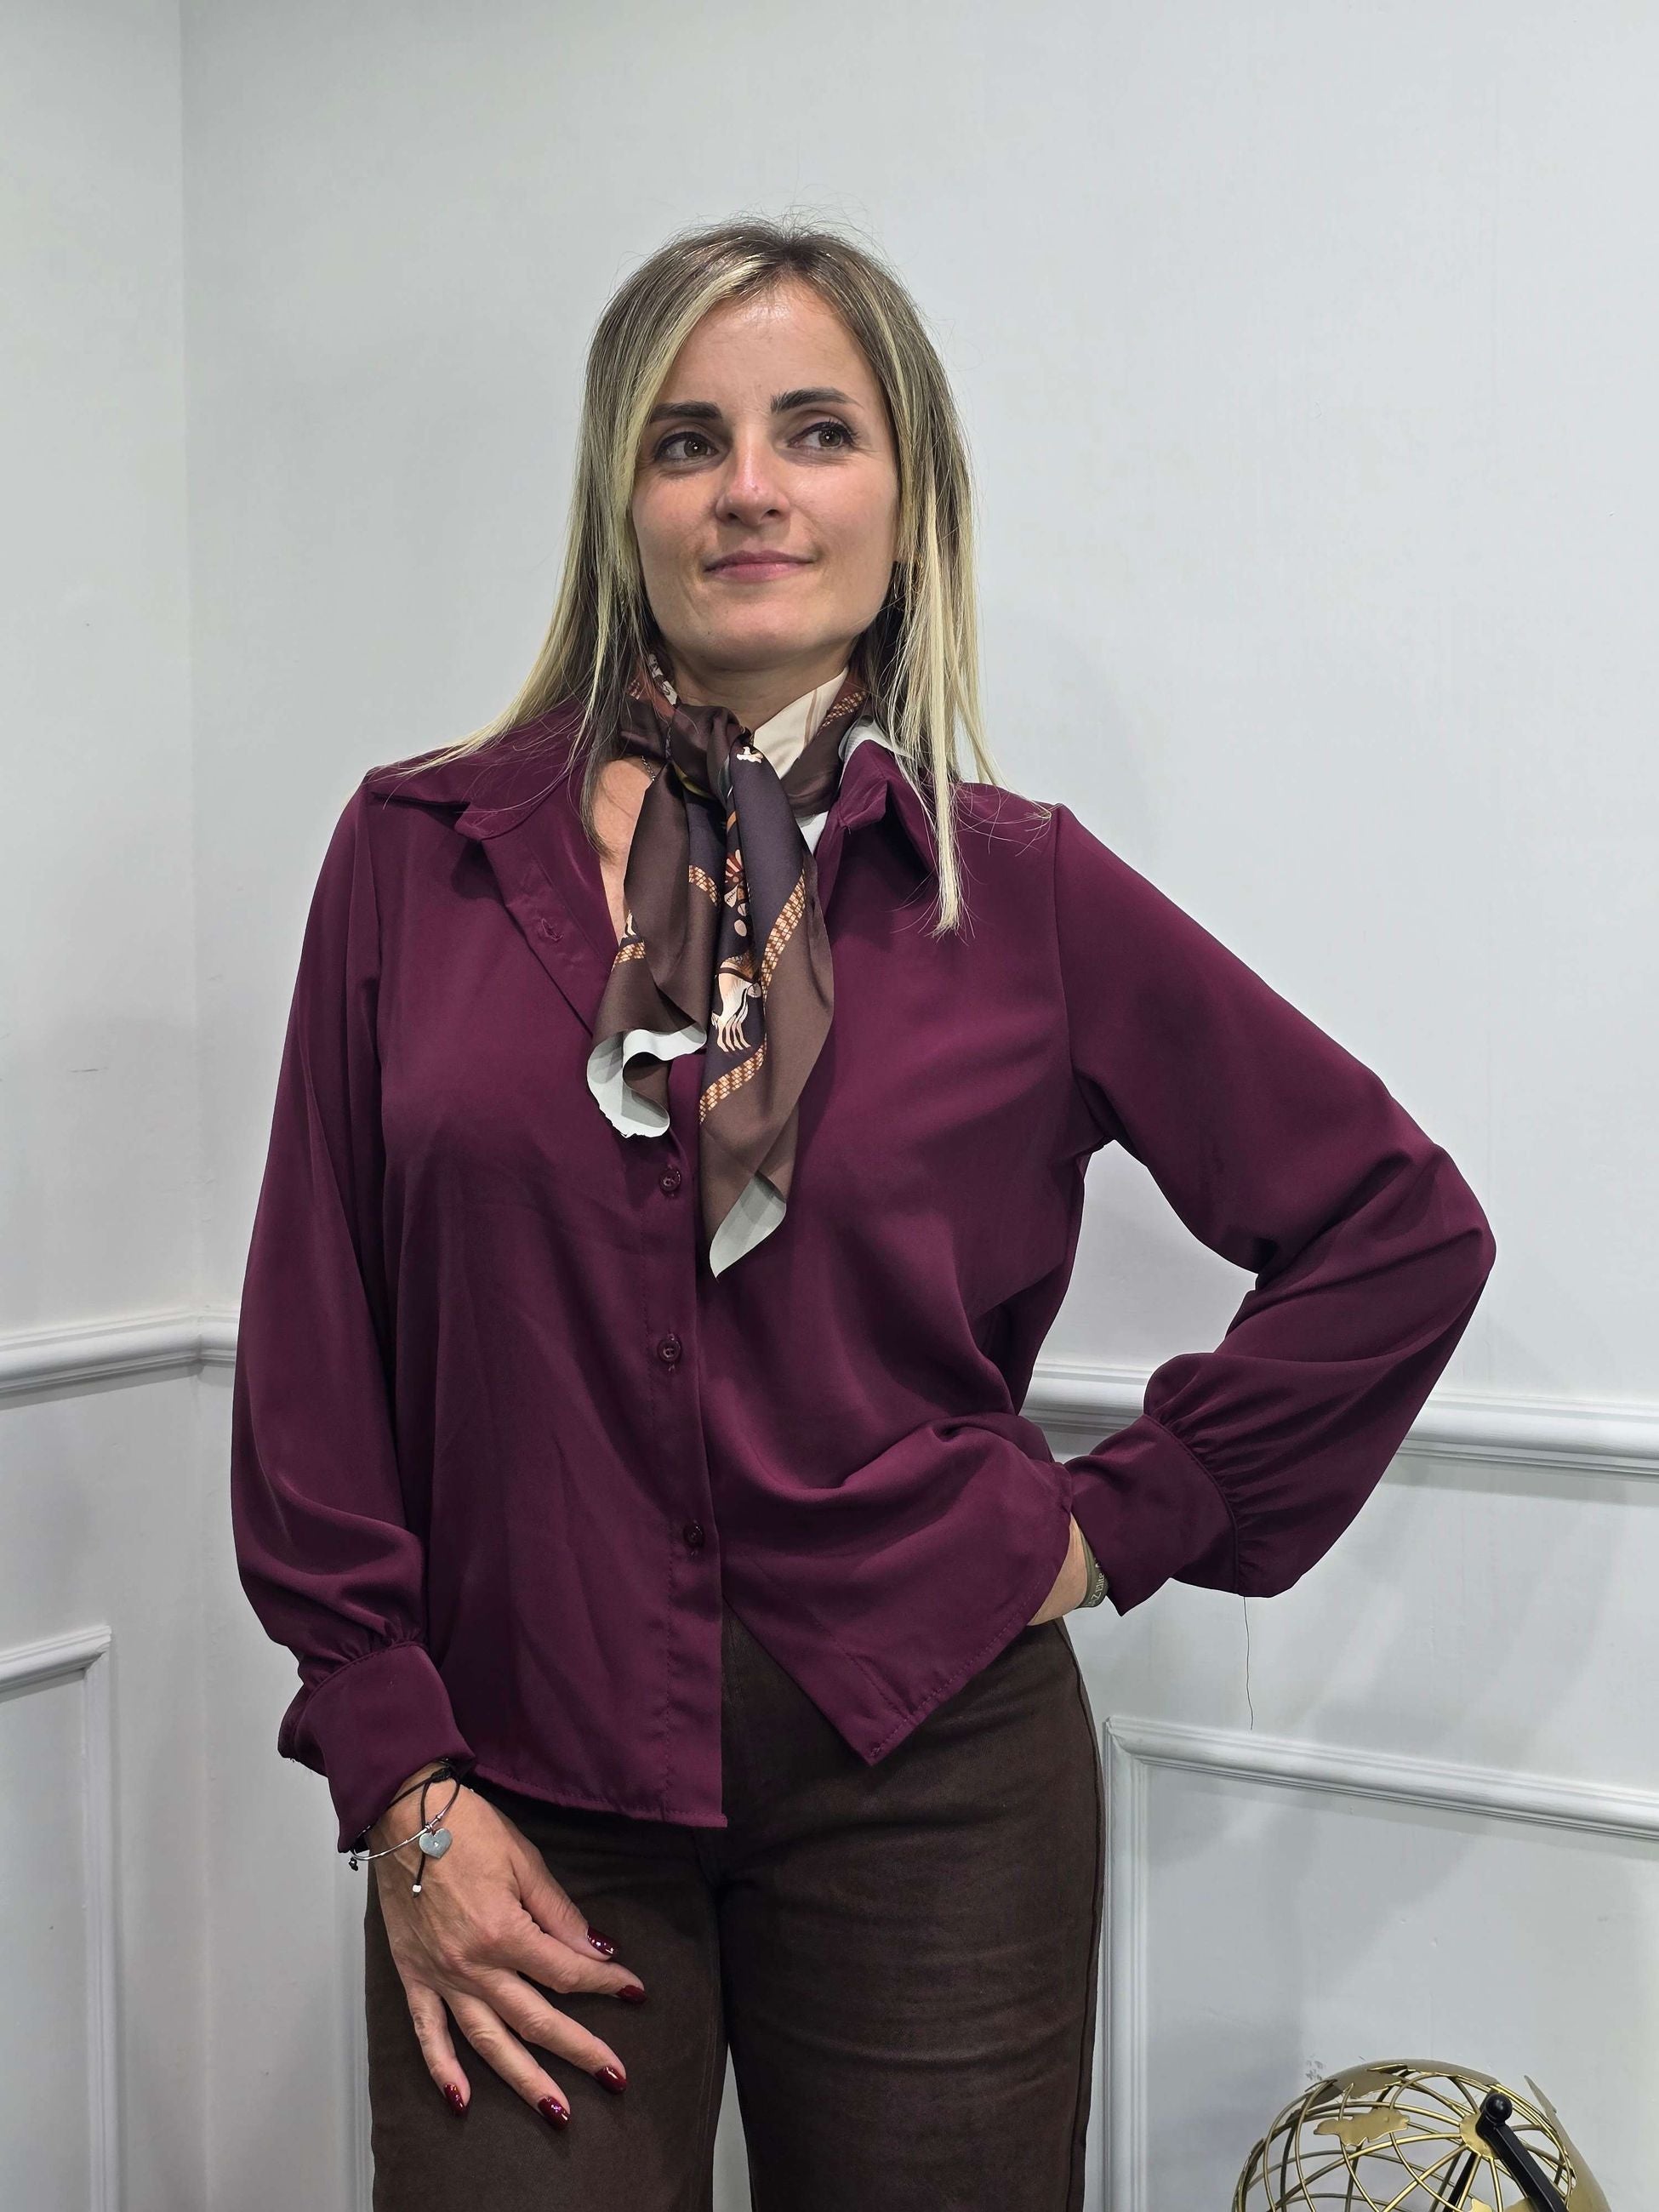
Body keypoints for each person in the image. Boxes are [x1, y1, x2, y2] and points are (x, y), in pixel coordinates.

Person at [229, 216, 1497, 2212]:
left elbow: (1396, 1226)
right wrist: (403, 1787)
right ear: (620, 500)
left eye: (817, 431)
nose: (752, 486)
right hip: (520, 1784)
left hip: (935, 1782)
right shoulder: (418, 856)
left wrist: (1119, 1521)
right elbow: (318, 1346)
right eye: (688, 440)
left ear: (908, 502)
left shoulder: (1021, 893)